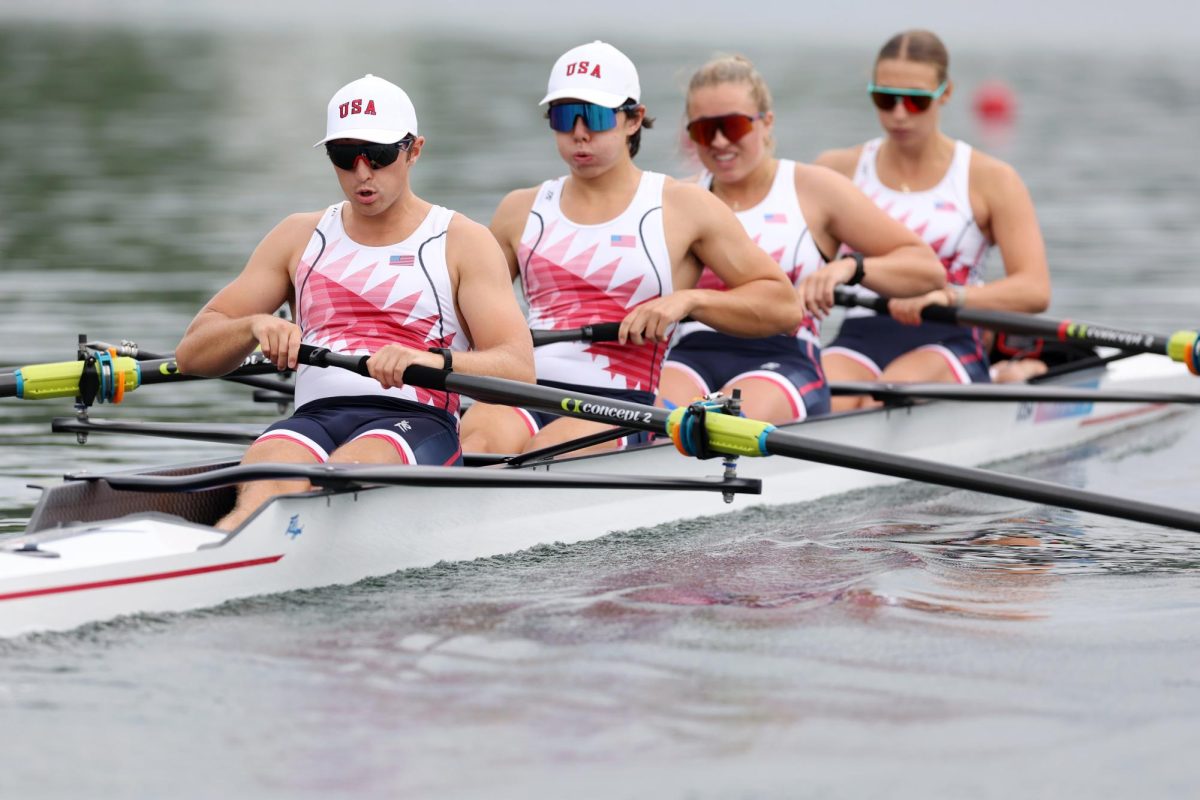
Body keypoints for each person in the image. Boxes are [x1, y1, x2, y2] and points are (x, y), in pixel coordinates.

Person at [175, 74, 534, 530]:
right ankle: (220, 560)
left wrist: (431, 361)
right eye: (345, 157)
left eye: (379, 156)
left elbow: (518, 367)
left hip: (415, 422)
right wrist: (253, 328)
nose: (362, 173)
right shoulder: (298, 237)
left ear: (414, 150)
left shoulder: (461, 241)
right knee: (259, 498)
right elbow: (191, 354)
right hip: (314, 419)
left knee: (341, 479)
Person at [459, 41, 799, 455]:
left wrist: (688, 301)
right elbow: (461, 319)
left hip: (621, 404)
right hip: (527, 390)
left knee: (545, 452)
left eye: (597, 117)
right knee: (476, 443)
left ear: (634, 120)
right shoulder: (519, 209)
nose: (580, 133)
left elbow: (784, 306)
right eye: (565, 117)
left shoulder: (684, 207)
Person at [657, 55, 945, 424]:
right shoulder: (679, 199)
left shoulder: (814, 189)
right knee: (648, 417)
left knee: (713, 426)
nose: (718, 141)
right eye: (702, 130)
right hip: (689, 355)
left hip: (786, 355)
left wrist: (850, 267)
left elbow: (926, 268)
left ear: (767, 123)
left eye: (733, 126)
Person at [817, 30, 1051, 411]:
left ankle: (1000, 374)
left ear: (945, 92)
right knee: (816, 398)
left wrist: (951, 295)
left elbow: (1034, 289)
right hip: (858, 336)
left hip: (949, 337)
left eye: (916, 101)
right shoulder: (835, 169)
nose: (898, 114)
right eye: (885, 98)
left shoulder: (991, 178)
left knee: (887, 395)